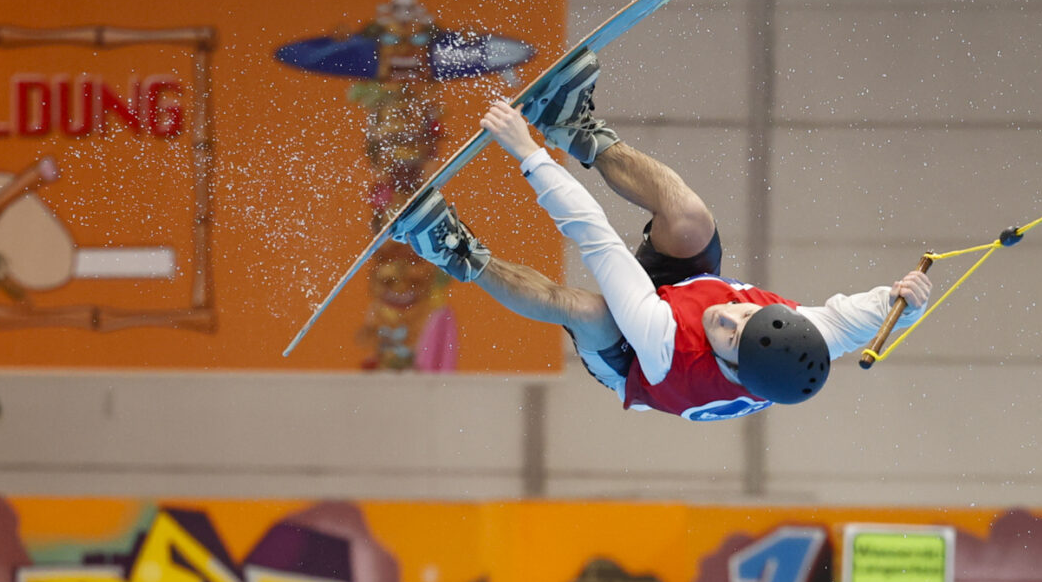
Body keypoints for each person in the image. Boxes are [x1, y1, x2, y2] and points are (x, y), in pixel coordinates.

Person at [393, 93, 936, 422]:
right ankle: (576, 129)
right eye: (744, 313)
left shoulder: (668, 344)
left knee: (582, 308)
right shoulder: (807, 330)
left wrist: (527, 151)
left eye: (728, 333)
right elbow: (863, 318)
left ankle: (451, 248)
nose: (724, 314)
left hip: (634, 363)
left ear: (728, 364)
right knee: (690, 217)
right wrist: (905, 303)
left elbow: (594, 236)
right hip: (681, 296)